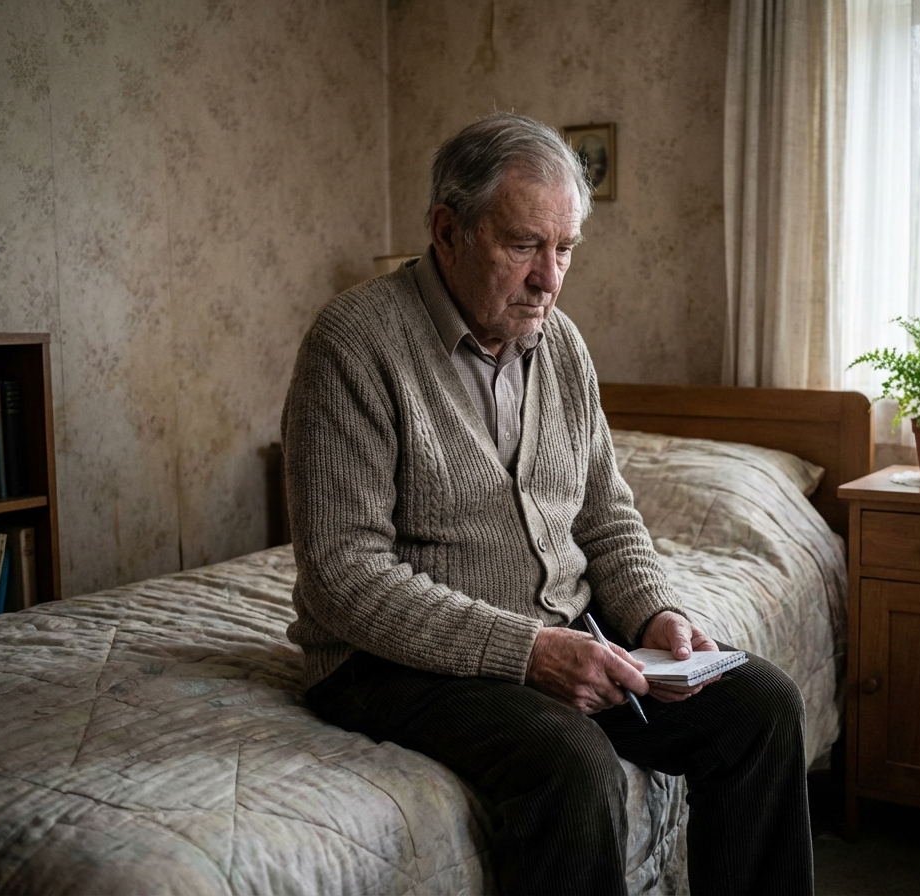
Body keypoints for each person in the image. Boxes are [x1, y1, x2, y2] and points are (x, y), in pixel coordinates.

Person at [281, 112, 813, 896]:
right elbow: (344, 575)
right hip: (386, 660)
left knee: (762, 707)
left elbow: (604, 513)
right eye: (525, 244)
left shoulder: (561, 344)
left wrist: (653, 614)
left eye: (565, 249)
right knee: (575, 763)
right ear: (448, 230)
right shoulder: (354, 343)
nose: (549, 278)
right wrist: (529, 652)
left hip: (558, 630)